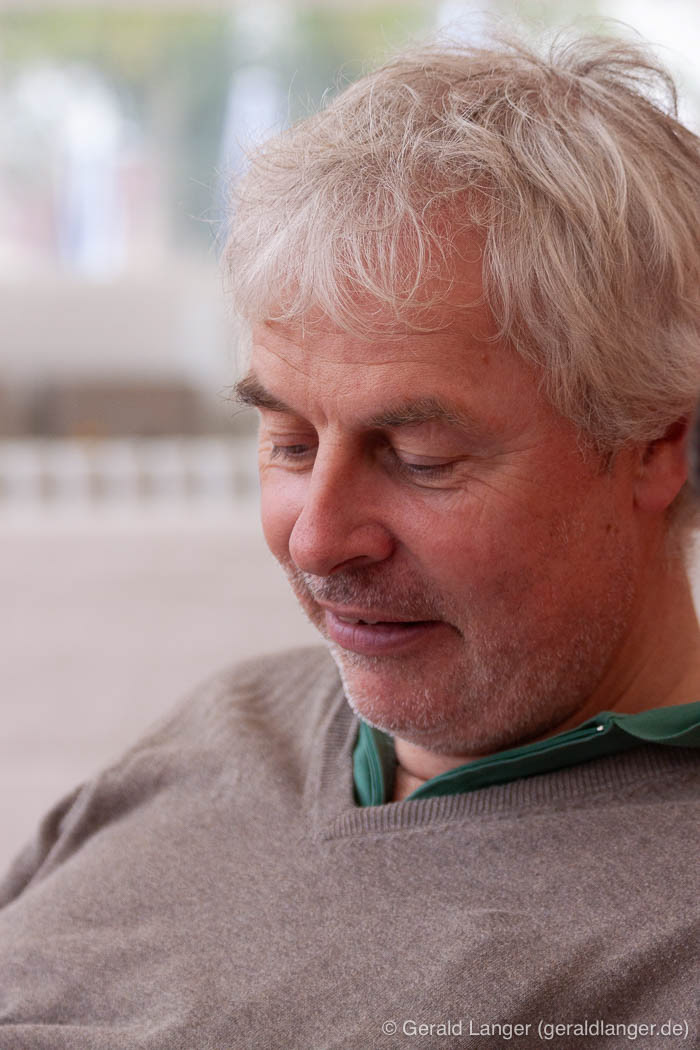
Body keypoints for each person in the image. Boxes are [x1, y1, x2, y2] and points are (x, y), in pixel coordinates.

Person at [1, 29, 699, 1050]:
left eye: (419, 456)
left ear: (658, 445)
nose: (317, 541)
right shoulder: (231, 721)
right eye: (288, 442)